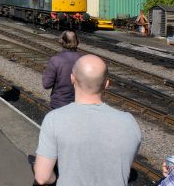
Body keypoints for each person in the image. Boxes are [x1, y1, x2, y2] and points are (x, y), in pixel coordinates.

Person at [34, 55, 141, 186]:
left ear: (72, 79)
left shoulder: (54, 119)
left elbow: (42, 177)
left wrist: (55, 178)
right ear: (107, 84)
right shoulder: (129, 122)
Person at [42, 30, 82, 109]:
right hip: (79, 104)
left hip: (59, 104)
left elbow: (46, 84)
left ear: (61, 41)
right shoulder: (84, 60)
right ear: (77, 41)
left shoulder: (55, 60)